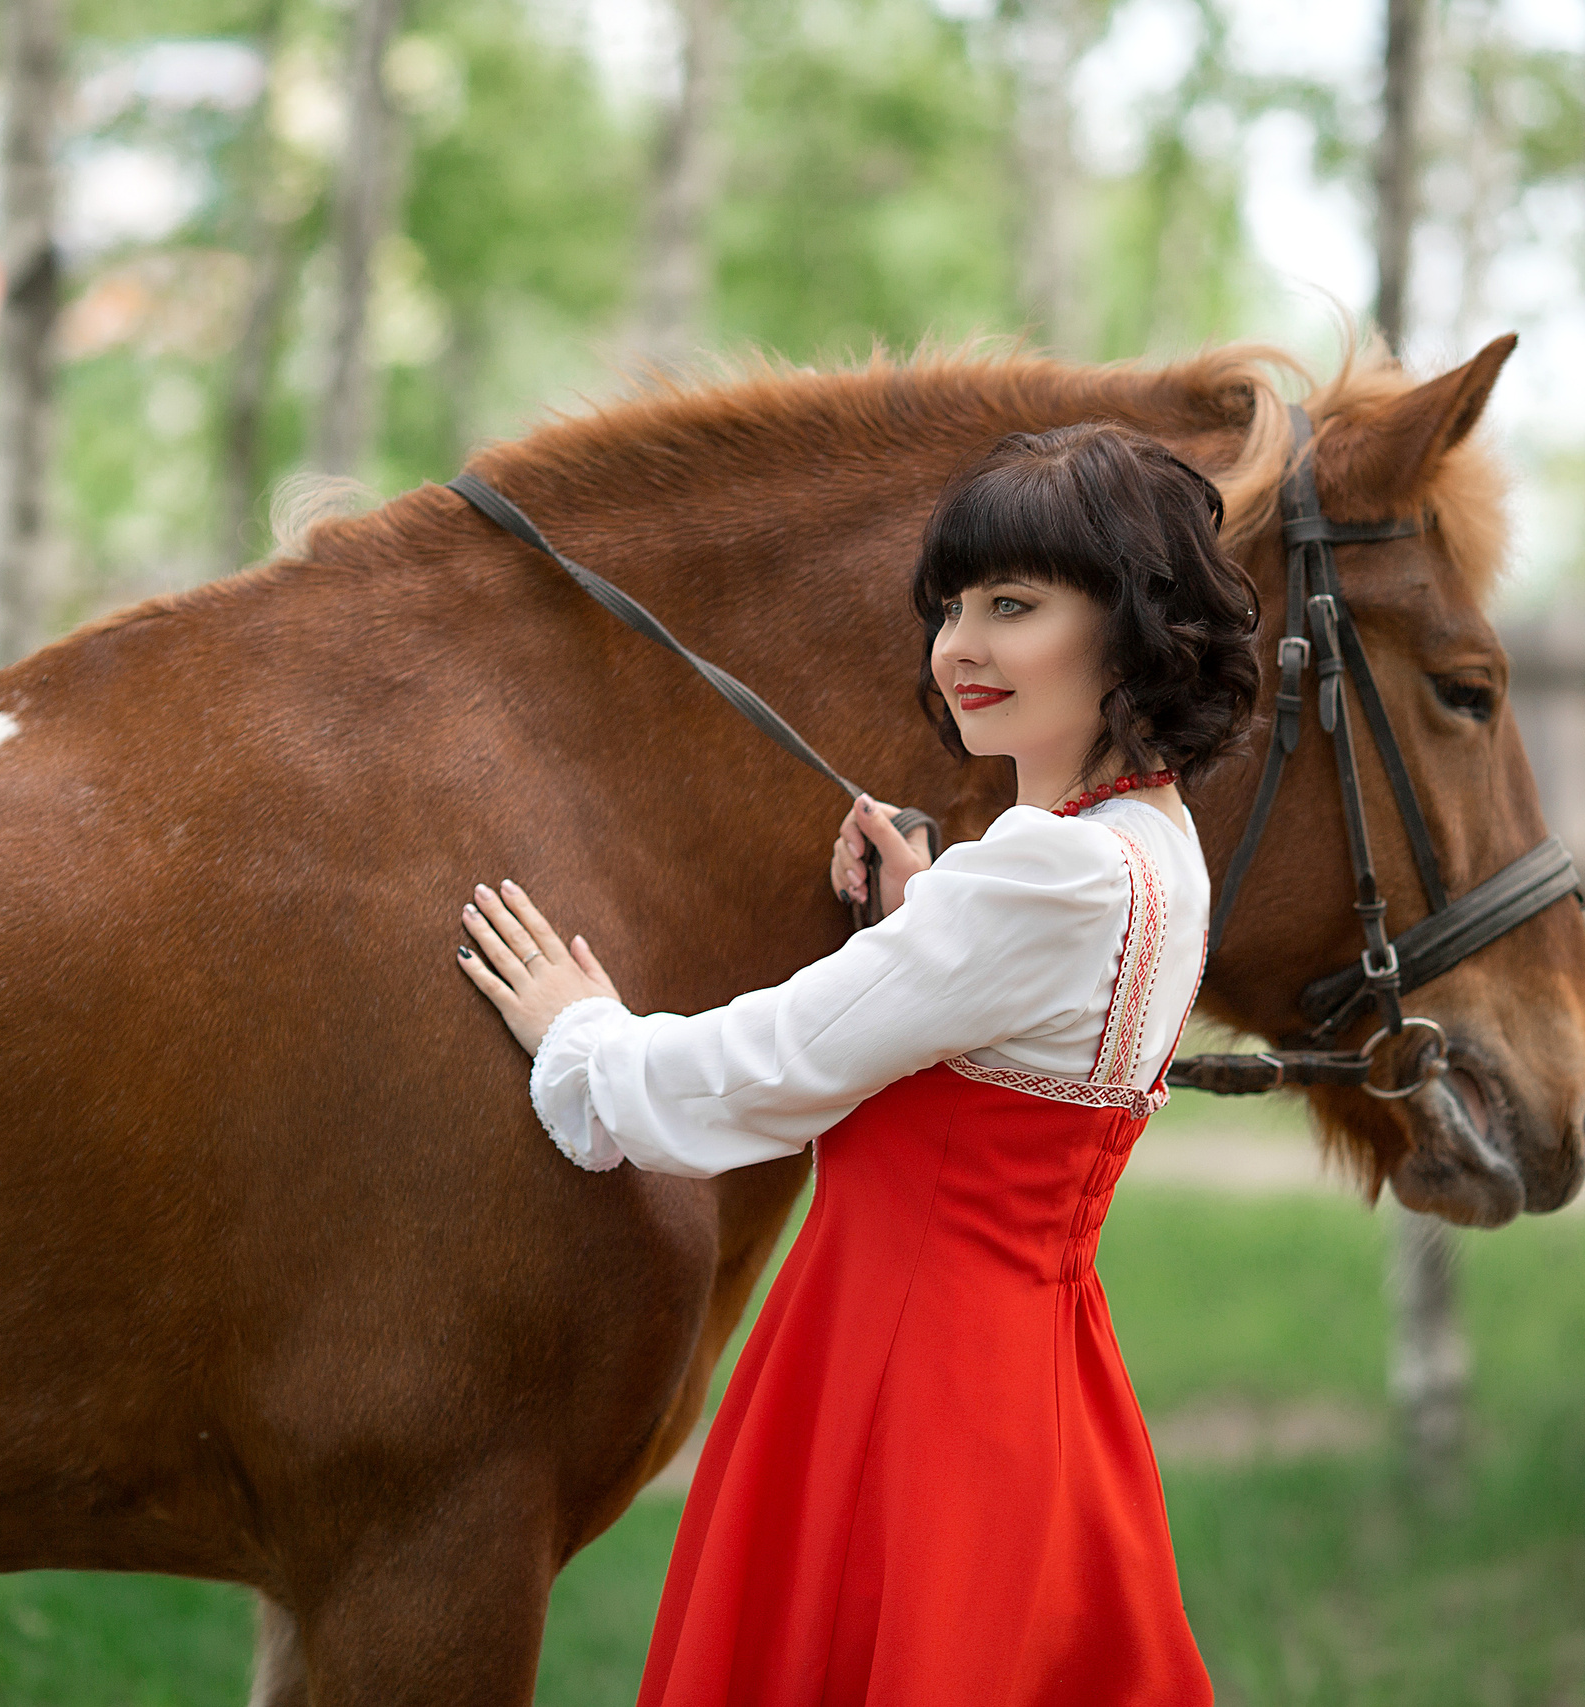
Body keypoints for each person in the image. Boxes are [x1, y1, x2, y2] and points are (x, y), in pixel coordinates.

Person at [456, 420, 1260, 1706]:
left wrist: (583, 1035)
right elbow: (1012, 1028)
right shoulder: (1154, 846)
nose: (961, 648)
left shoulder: (1037, 873)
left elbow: (768, 1067)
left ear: (1130, 625)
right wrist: (923, 912)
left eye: (1014, 604)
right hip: (1032, 1378)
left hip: (901, 1382)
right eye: (950, 607)